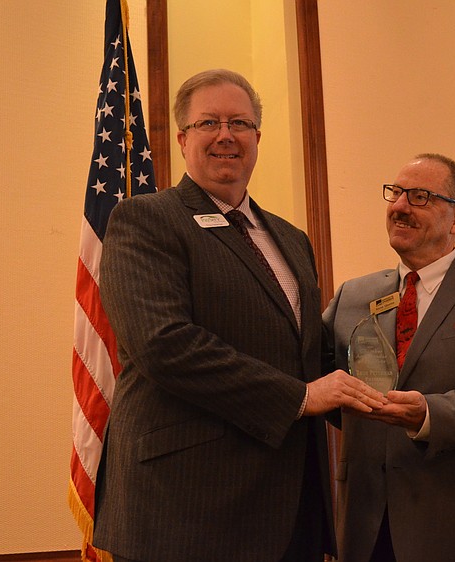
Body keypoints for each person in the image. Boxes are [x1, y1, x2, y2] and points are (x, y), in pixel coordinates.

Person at [92, 69, 384, 562]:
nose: (226, 135)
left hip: (292, 508)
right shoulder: (145, 220)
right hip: (186, 510)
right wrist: (301, 396)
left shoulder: (292, 239)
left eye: (239, 124)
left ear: (257, 139)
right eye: (209, 123)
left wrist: (395, 391)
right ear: (183, 139)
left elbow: (304, 354)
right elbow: (165, 345)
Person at [323, 153, 455, 562]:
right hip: (369, 529)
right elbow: (321, 388)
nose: (400, 206)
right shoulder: (352, 296)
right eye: (396, 193)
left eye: (420, 196)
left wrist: (427, 414)